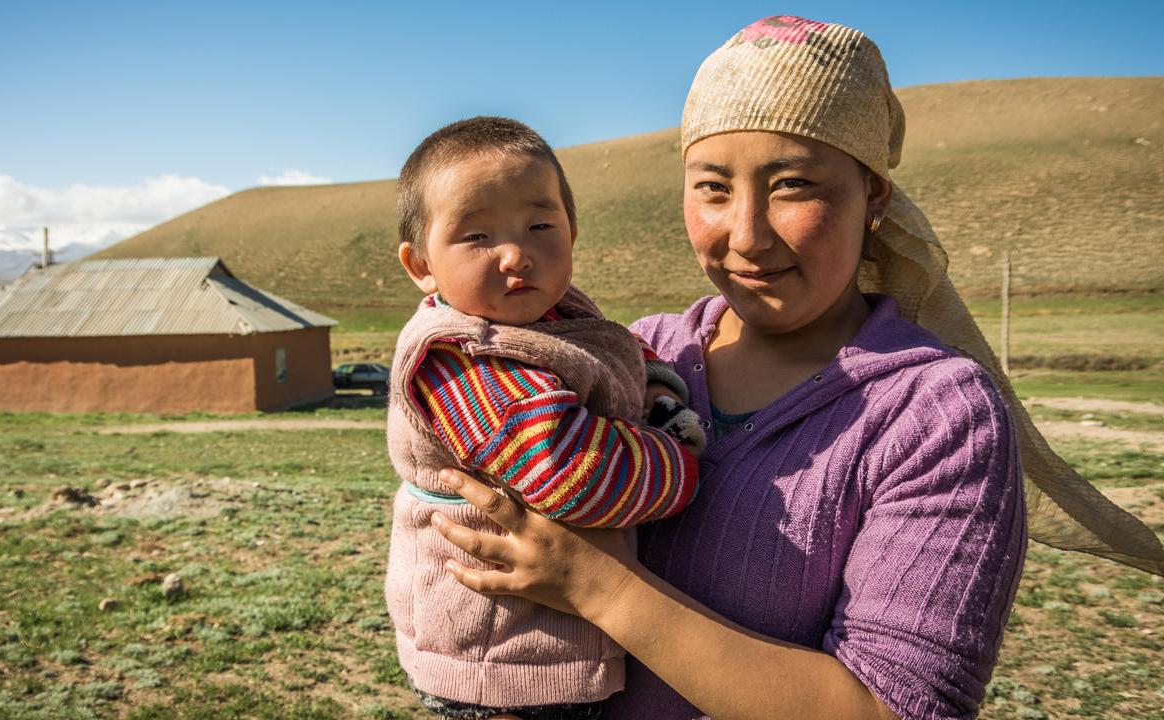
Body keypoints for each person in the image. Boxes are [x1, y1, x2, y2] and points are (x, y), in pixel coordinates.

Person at [426, 15, 1164, 720]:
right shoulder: (640, 352)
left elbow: (896, 708)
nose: (746, 237)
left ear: (873, 195)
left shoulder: (938, 416)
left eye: (794, 187)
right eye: (712, 187)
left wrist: (597, 587)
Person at [384, 116, 706, 719]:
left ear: (573, 231)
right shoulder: (460, 359)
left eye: (540, 226)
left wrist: (660, 394)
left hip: (551, 644)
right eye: (476, 236)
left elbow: (619, 351)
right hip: (500, 658)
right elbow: (571, 473)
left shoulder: (557, 313)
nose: (516, 253)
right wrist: (681, 462)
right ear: (420, 265)